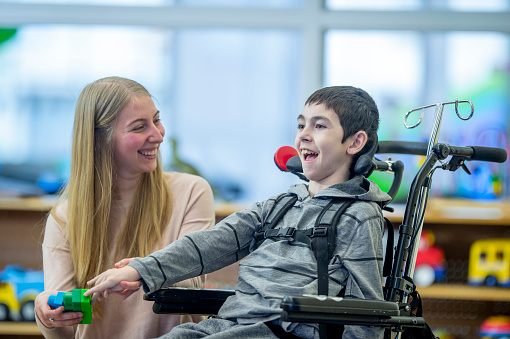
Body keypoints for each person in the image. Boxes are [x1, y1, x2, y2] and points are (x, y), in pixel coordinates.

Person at [85, 86, 391, 338]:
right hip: (232, 325)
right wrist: (140, 270)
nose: (303, 136)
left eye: (319, 126)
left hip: (284, 332)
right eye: (301, 125)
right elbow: (211, 243)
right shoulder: (280, 204)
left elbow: (368, 314)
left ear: (355, 142)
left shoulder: (358, 215)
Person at [34, 76, 215, 338]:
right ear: (100, 140)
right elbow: (66, 328)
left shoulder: (192, 192)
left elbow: (193, 280)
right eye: (139, 127)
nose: (158, 135)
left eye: (157, 120)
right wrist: (48, 317)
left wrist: (142, 272)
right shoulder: (64, 218)